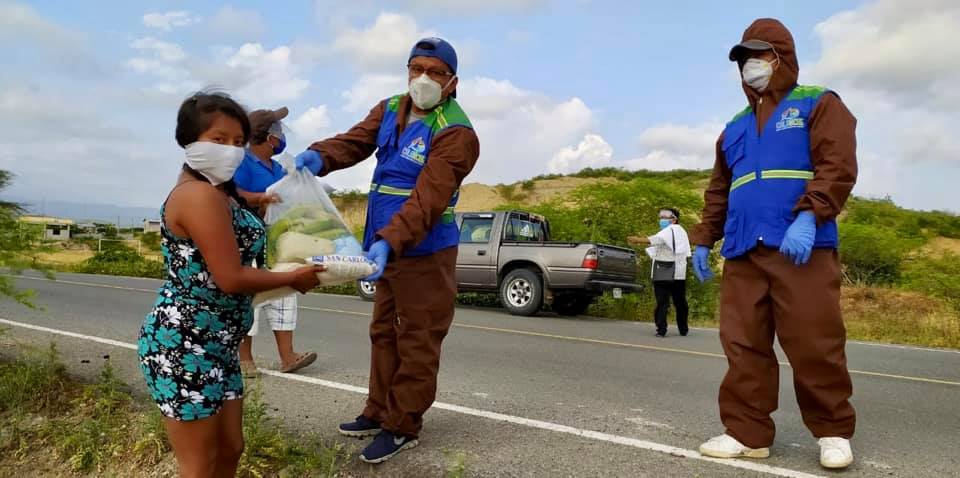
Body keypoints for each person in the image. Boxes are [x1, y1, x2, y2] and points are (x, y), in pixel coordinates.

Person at [294, 37, 479, 464]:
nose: (424, 78)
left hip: (425, 250)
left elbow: (428, 200)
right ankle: (377, 411)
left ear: (452, 81)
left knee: (417, 338)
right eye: (417, 68)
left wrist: (389, 241)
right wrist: (319, 156)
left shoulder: (456, 132)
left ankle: (403, 425)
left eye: (435, 72)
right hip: (384, 246)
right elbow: (354, 142)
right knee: (383, 332)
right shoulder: (391, 108)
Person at [689, 19, 858, 469]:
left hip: (801, 245)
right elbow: (719, 190)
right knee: (743, 344)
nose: (751, 65)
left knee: (814, 341)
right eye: (744, 58)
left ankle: (833, 431)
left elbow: (837, 164)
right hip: (744, 249)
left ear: (782, 57)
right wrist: (705, 239)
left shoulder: (817, 102)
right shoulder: (734, 127)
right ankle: (747, 433)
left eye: (760, 55)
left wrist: (810, 215)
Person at [137, 92, 322, 477]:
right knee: (200, 463)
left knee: (230, 448)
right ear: (189, 140)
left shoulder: (222, 191)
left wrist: (270, 200)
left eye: (238, 142)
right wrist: (294, 278)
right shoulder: (198, 196)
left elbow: (244, 219)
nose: (231, 150)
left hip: (218, 343)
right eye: (218, 139)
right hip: (185, 343)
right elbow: (231, 277)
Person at [233, 106, 318, 377]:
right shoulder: (244, 162)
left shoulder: (278, 167)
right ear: (269, 136)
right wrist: (260, 198)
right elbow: (232, 192)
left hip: (275, 236)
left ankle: (287, 356)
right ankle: (244, 359)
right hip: (246, 237)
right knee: (249, 295)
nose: (281, 137)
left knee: (284, 289)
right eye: (278, 132)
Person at [627, 208, 691, 337]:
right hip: (679, 272)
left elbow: (654, 240)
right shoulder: (681, 231)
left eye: (665, 216)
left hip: (663, 271)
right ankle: (683, 328)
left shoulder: (669, 230)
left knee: (662, 302)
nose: (662, 219)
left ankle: (661, 329)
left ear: (674, 219)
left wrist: (636, 239)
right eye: (661, 216)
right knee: (680, 301)